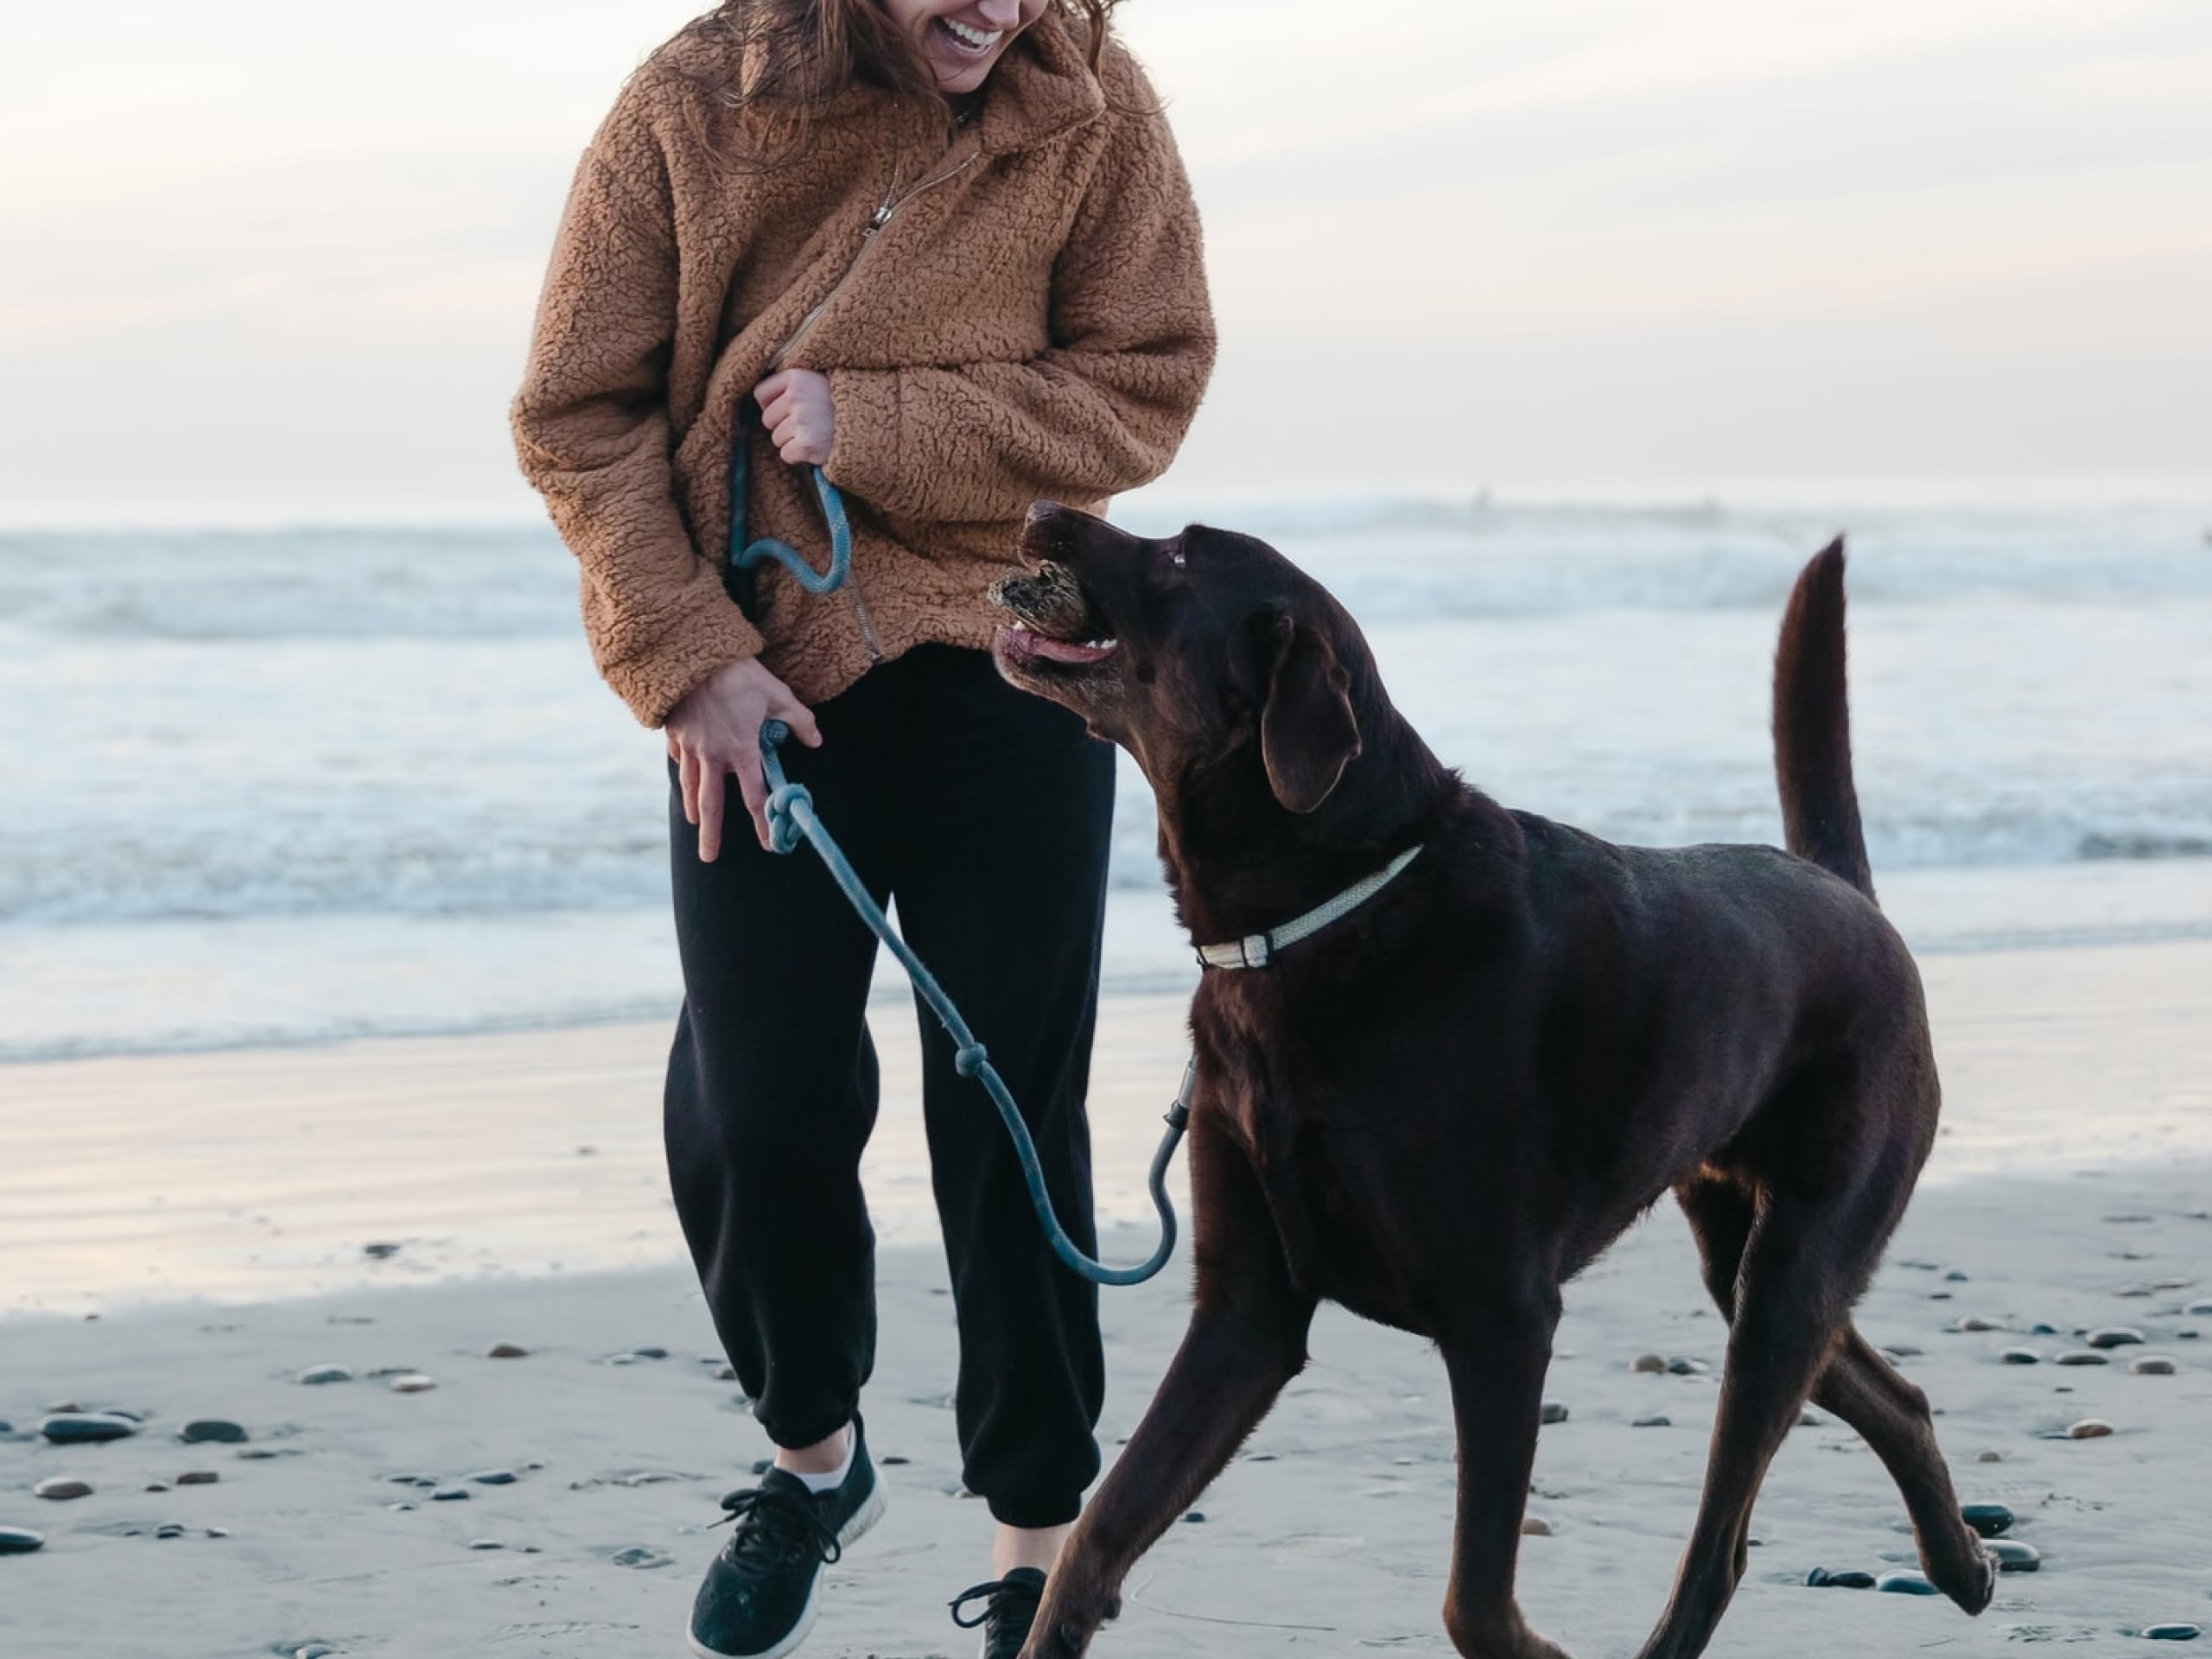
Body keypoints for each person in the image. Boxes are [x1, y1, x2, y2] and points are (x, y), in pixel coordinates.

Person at [511, 2, 1213, 1654]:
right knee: (753, 1107)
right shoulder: (692, 102)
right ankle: (814, 1460)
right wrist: (688, 661)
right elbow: (576, 416)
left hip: (1022, 656)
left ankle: (1045, 1554)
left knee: (1012, 1109)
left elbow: (1147, 388)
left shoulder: (1094, 106)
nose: (998, 9)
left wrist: (878, 417)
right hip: (758, 669)